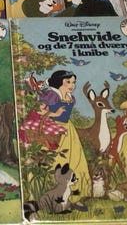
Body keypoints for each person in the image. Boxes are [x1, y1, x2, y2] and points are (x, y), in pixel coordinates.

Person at [39, 70, 90, 211]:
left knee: (75, 160)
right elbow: (39, 111)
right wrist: (55, 114)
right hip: (52, 130)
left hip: (68, 130)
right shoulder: (51, 95)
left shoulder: (70, 97)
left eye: (73, 82)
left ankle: (75, 197)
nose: (72, 85)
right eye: (68, 82)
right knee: (56, 161)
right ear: (59, 82)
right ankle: (54, 197)